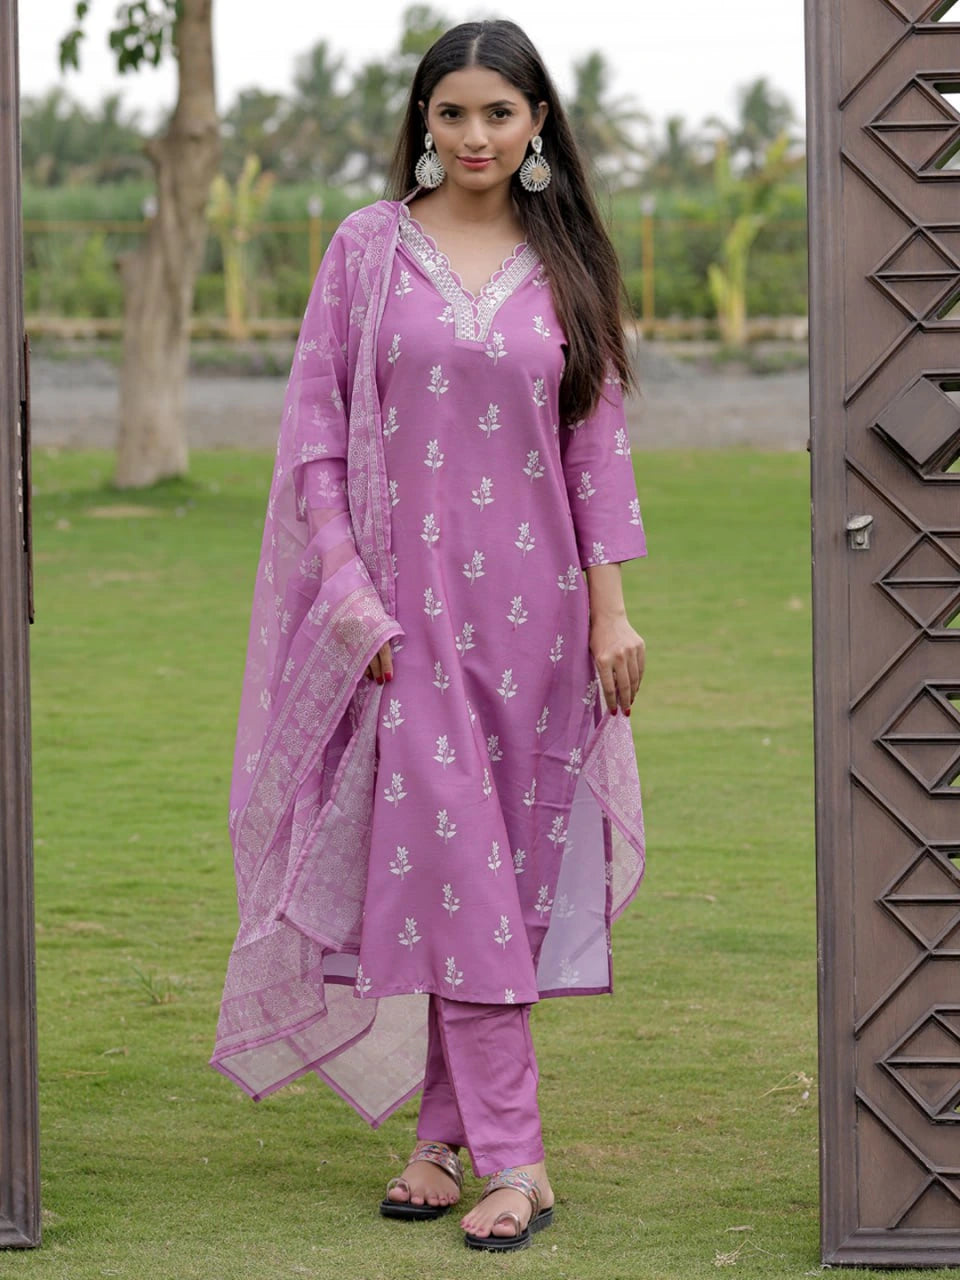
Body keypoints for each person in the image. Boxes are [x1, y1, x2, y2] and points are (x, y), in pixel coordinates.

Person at [211, 18, 647, 1253]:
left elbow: (594, 456)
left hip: (544, 632)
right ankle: (518, 1158)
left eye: (496, 116)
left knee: (489, 890)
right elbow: (316, 443)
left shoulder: (569, 268)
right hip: (408, 629)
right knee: (460, 881)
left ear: (538, 125)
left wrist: (612, 608)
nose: (473, 137)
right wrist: (355, 606)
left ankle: (438, 1140)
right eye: (450, 114)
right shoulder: (366, 252)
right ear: (420, 123)